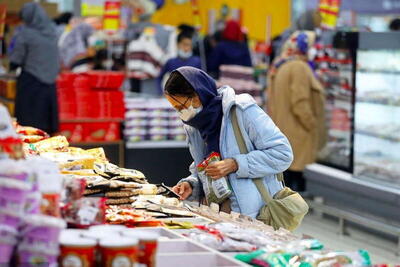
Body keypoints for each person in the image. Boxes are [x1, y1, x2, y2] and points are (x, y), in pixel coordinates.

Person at [164, 66, 293, 218]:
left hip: (254, 216)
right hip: (215, 215)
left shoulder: (242, 110)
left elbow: (282, 154)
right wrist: (191, 184)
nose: (180, 112)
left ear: (197, 95)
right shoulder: (195, 126)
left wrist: (235, 164)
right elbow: (204, 168)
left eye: (181, 106)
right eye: (175, 108)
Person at [267, 31, 326, 192]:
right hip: (299, 133)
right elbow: (300, 103)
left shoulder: (280, 64)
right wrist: (313, 126)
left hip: (284, 131)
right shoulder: (300, 67)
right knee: (296, 183)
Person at [9, 3, 60, 134]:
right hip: (50, 85)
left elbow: (15, 60)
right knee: (46, 126)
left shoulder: (25, 33)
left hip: (30, 84)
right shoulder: (52, 32)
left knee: (29, 126)